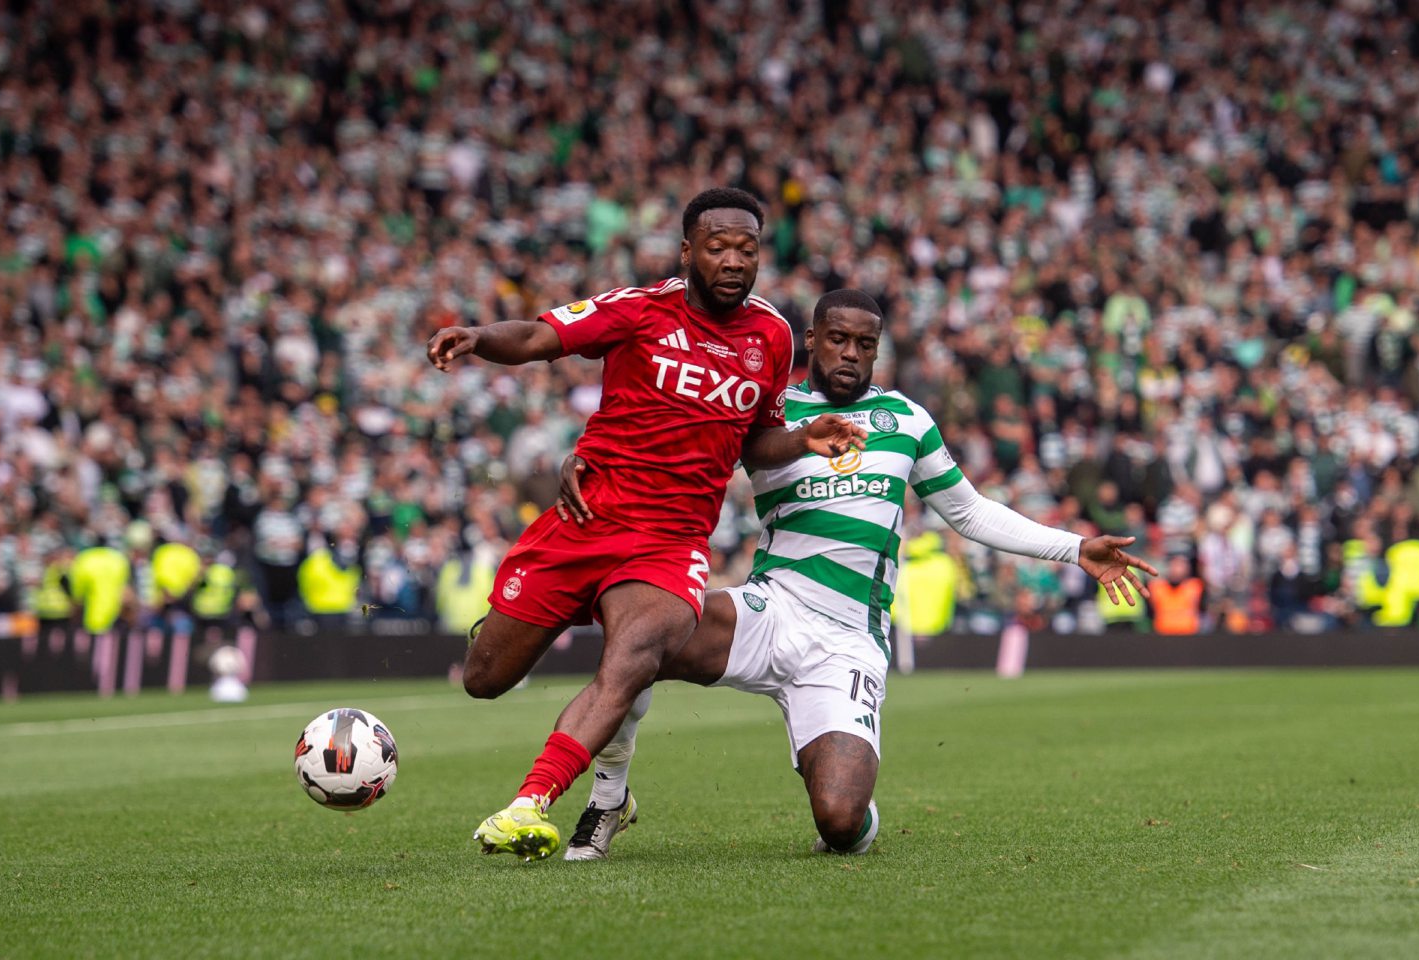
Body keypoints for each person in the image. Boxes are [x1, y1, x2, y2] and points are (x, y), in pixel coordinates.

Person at [555, 290, 1156, 859]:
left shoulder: (906, 420)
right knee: (643, 632)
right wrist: (587, 457)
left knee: (840, 823)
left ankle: (848, 803)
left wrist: (1075, 547)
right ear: (811, 340)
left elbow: (968, 511)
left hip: (848, 639)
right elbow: (663, 442)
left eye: (865, 344)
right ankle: (609, 799)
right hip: (771, 608)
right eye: (838, 339)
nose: (851, 353)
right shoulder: (770, 410)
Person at [425, 188, 867, 860]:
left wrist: (806, 439)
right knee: (486, 676)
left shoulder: (772, 336)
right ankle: (569, 630)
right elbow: (543, 335)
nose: (733, 261)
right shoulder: (637, 309)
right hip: (587, 518)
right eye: (717, 246)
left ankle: (531, 804)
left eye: (747, 250)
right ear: (687, 250)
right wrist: (480, 338)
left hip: (670, 543)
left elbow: (758, 441)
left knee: (633, 655)